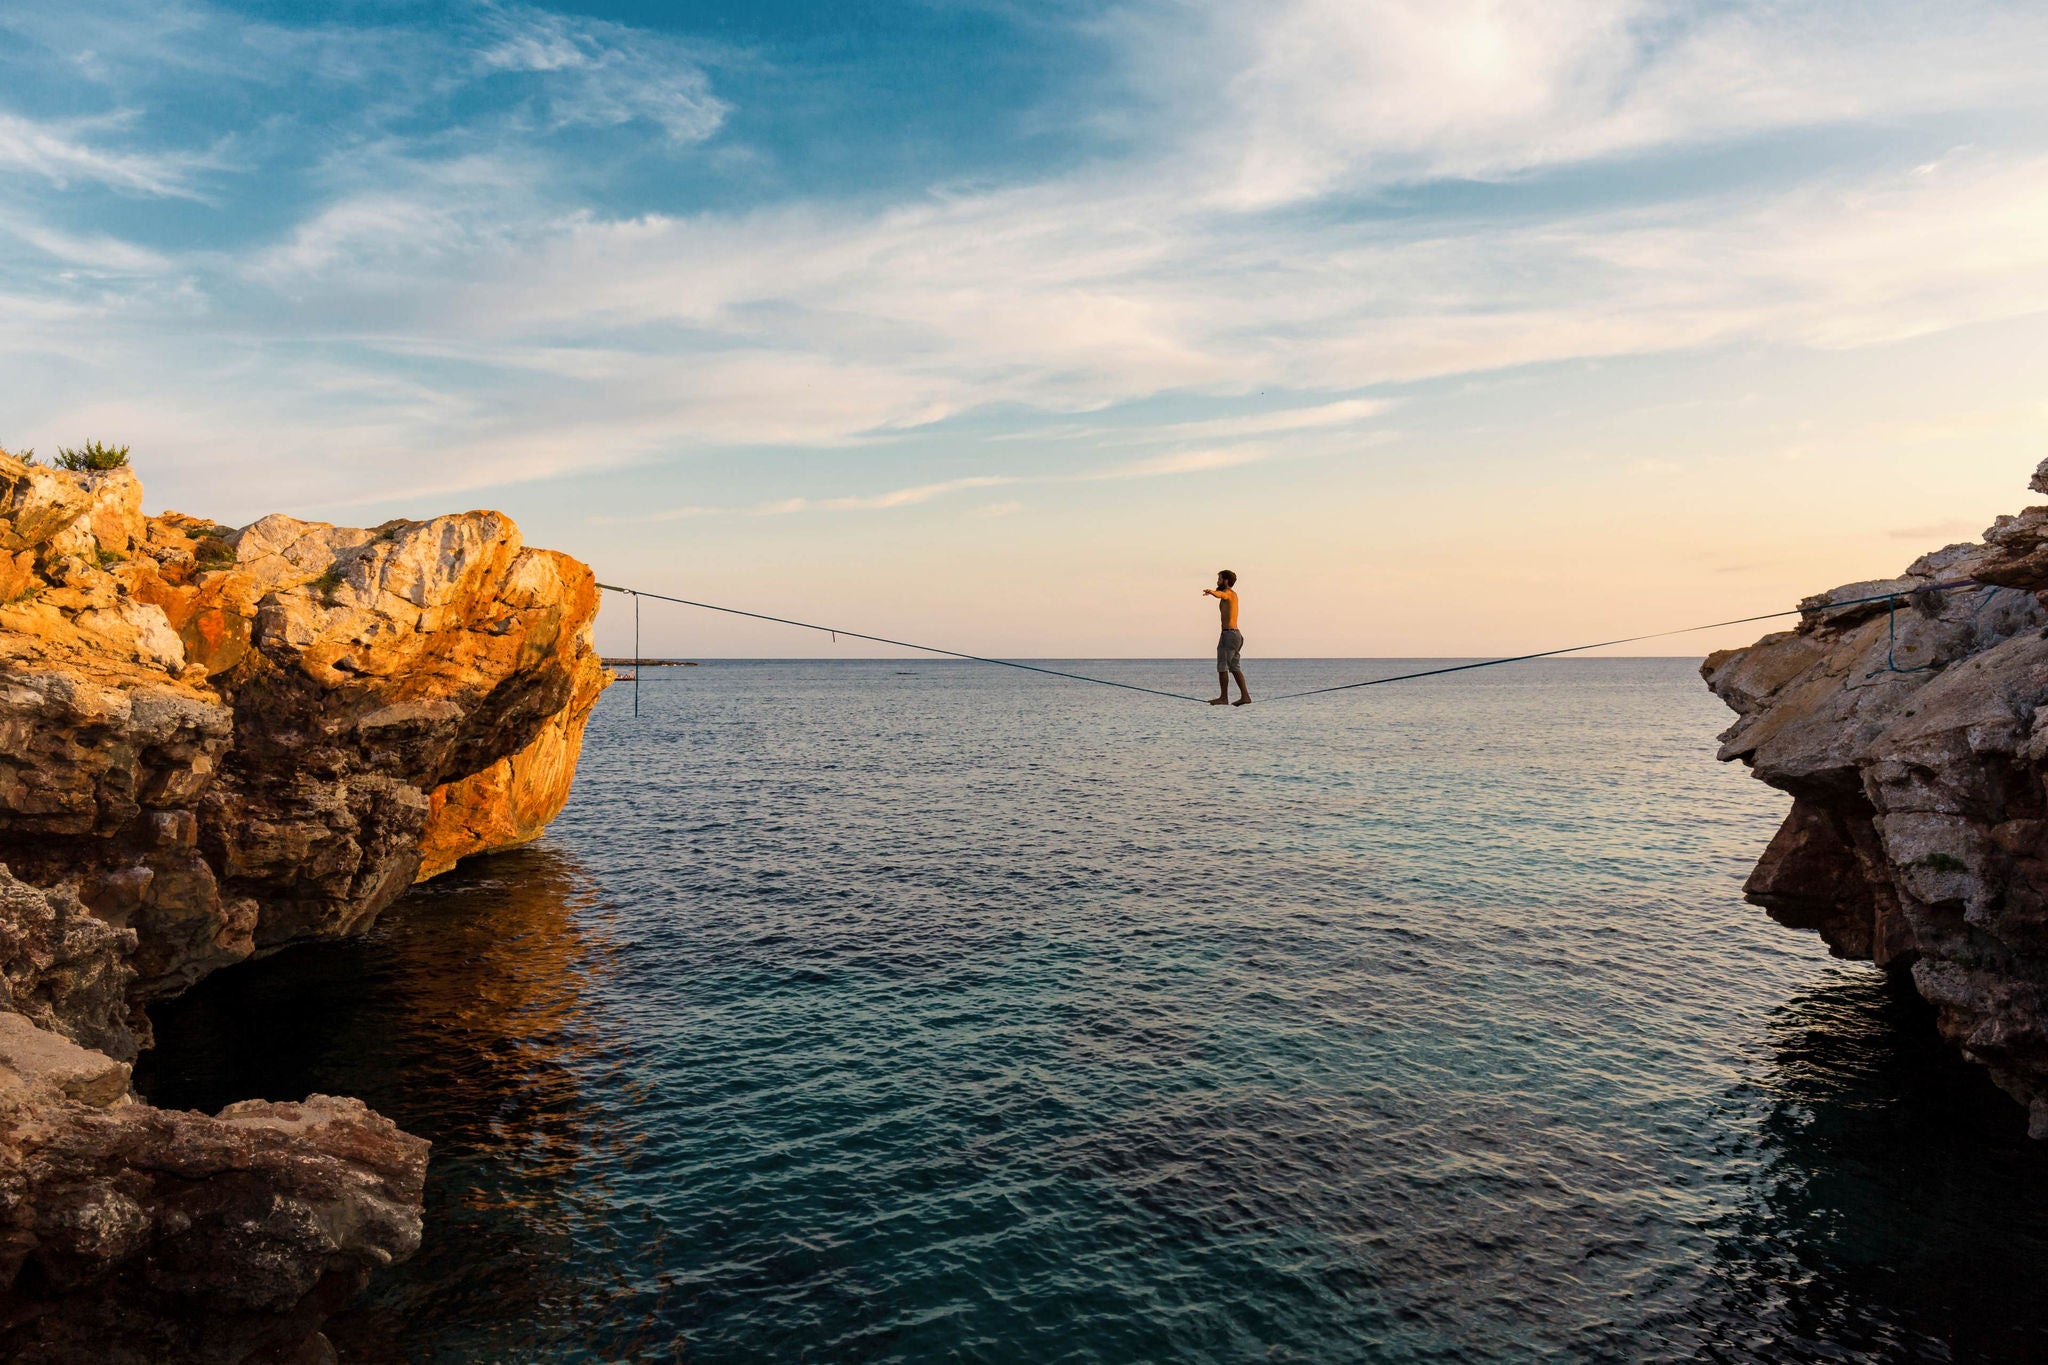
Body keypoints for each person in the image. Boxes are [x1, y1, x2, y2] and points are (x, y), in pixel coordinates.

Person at [1203, 569, 1251, 706]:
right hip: (1235, 635)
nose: (1217, 581)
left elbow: (1221, 595)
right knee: (1234, 667)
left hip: (1229, 635)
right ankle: (1245, 696)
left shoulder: (1229, 594)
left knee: (1222, 666)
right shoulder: (1233, 595)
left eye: (1219, 579)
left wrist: (1212, 592)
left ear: (1226, 581)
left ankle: (1224, 697)